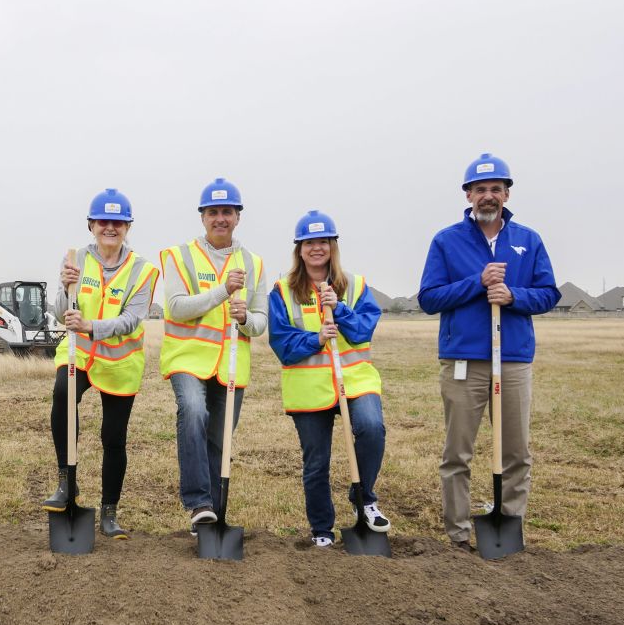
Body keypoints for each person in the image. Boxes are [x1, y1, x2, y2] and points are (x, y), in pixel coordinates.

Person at [418, 153, 560, 551]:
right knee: (457, 454)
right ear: (468, 195)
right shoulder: (446, 241)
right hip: (463, 360)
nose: (488, 196)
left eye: (495, 189)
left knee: (517, 452)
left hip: (513, 360)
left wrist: (514, 295)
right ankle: (458, 535)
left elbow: (550, 294)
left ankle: (508, 526)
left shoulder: (528, 241)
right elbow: (429, 298)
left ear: (507, 194)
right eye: (480, 189)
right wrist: (476, 283)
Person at [40, 189, 159, 539]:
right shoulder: (76, 258)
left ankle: (109, 512)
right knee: (63, 395)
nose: (110, 227)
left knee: (113, 437)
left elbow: (132, 321)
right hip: (78, 354)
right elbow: (63, 311)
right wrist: (64, 287)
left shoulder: (143, 270)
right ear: (91, 225)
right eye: (103, 221)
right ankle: (66, 483)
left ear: (127, 227)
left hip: (120, 362)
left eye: (118, 222)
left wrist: (91, 326)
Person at [268, 211, 389, 548]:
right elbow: (281, 344)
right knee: (316, 461)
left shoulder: (356, 285)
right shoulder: (282, 290)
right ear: (299, 249)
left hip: (355, 377)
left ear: (333, 246)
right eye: (309, 243)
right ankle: (322, 528)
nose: (317, 248)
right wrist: (316, 338)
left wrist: (342, 309)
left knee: (371, 428)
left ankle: (363, 495)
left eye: (323, 241)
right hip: (308, 386)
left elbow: (365, 331)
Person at [159, 177, 268, 533]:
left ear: (238, 217)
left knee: (220, 439)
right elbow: (175, 308)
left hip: (231, 364)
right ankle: (198, 502)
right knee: (192, 411)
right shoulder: (180, 256)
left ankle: (212, 518)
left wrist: (246, 319)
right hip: (187, 357)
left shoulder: (254, 263)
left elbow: (260, 321)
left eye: (227, 212)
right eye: (213, 212)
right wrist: (222, 291)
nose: (220, 218)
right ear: (202, 217)